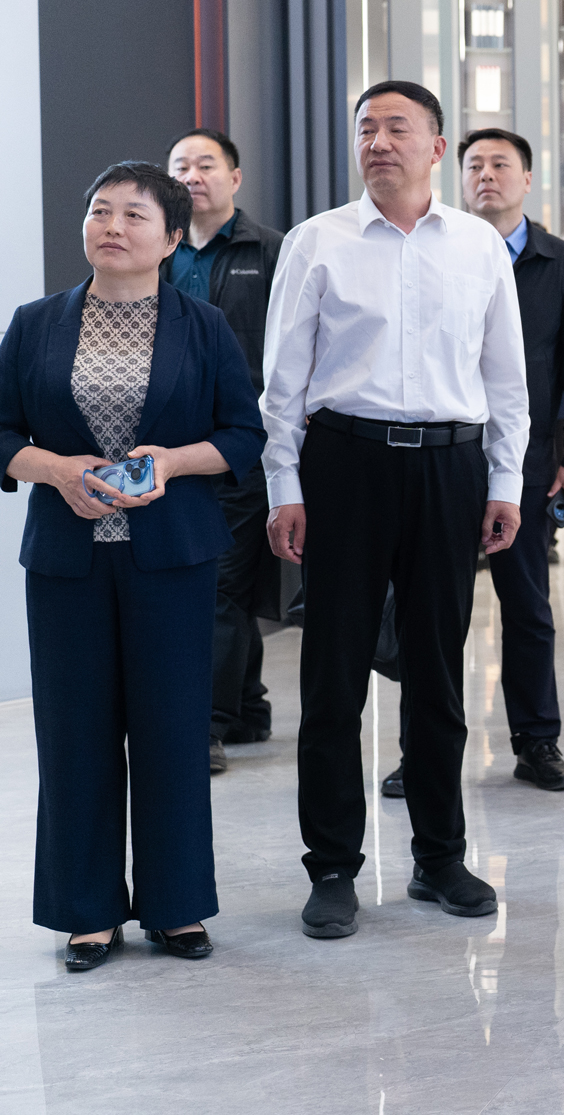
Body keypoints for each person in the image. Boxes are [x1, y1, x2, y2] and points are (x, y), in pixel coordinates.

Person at [262, 79, 530, 940]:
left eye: (398, 127)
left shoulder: (478, 245)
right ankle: (332, 866)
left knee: (437, 673)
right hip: (344, 463)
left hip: (450, 468)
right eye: (366, 128)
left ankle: (439, 856)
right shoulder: (318, 241)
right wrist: (284, 486)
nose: (378, 141)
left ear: (437, 147)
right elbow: (282, 383)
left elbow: (506, 379)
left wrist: (505, 482)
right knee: (333, 675)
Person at [0, 162, 264, 969]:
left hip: (171, 557)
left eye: (134, 215)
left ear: (172, 237)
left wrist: (173, 461)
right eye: (100, 211)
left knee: (173, 732)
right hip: (66, 560)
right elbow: (2, 433)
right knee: (73, 732)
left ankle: (176, 905)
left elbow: (243, 435)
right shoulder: (36, 323)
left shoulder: (202, 326)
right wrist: (56, 471)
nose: (112, 226)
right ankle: (86, 912)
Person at [453, 126, 564, 791]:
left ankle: (537, 741)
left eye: (500, 164)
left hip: (528, 461)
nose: (486, 175)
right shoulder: (440, 253)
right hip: (446, 457)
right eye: (474, 165)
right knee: (434, 610)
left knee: (528, 606)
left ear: (527, 179)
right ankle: (423, 747)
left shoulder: (560, 263)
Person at [163, 128, 285, 774]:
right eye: (180, 166)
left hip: (242, 444)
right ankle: (248, 707)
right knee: (218, 584)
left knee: (222, 582)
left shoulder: (270, 250)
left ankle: (205, 725)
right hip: (170, 446)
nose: (192, 176)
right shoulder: (158, 251)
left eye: (205, 164)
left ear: (234, 178)